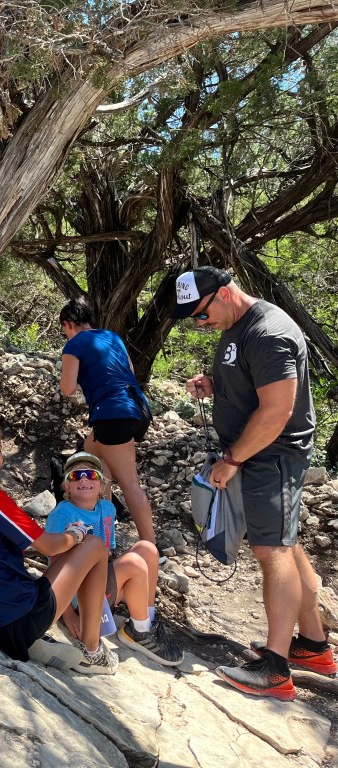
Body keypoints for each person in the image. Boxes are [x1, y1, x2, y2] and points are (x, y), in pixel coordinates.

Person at [176, 266, 334, 701]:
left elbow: (276, 411)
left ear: (224, 293)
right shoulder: (237, 326)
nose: (200, 323)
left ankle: (275, 669)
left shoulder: (268, 333)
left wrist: (232, 460)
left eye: (201, 313)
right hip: (258, 455)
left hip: (272, 456)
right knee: (286, 542)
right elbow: (251, 383)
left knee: (272, 550)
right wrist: (214, 385)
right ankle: (314, 646)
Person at [0, 417, 118, 674]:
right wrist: (76, 534)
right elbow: (49, 546)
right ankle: (92, 651)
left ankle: (36, 642)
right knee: (95, 545)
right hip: (12, 620)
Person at [46, 452, 183, 667]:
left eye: (91, 474)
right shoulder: (61, 515)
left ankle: (143, 623)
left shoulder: (107, 509)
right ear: (66, 487)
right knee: (133, 563)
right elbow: (53, 564)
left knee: (147, 549)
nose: (84, 479)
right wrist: (68, 614)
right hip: (76, 596)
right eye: (76, 475)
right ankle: (139, 631)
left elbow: (108, 552)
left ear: (102, 484)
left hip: (99, 586)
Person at [58, 297, 157, 551]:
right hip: (136, 409)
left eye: (64, 330)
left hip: (112, 415)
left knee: (129, 483)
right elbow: (130, 371)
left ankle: (151, 549)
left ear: (68, 324)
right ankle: (103, 538)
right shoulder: (113, 337)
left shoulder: (74, 344)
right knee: (92, 460)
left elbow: (67, 388)